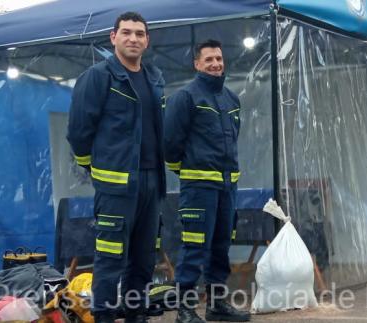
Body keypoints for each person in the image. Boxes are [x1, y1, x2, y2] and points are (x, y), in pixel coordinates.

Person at [67, 12, 166, 323]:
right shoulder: (98, 77)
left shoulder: (154, 79)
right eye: (126, 32)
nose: (133, 38)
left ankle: (137, 316)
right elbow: (79, 132)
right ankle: (105, 318)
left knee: (143, 259)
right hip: (116, 186)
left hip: (151, 182)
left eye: (139, 33)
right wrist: (95, 170)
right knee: (110, 259)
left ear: (147, 41)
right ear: (113, 38)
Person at [164, 39, 250, 323]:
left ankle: (216, 305)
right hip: (199, 189)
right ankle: (185, 310)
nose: (216, 63)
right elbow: (170, 145)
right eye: (209, 59)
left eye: (219, 58)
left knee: (221, 247)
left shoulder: (232, 99)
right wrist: (189, 172)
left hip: (227, 188)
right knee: (194, 249)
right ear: (197, 64)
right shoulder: (185, 97)